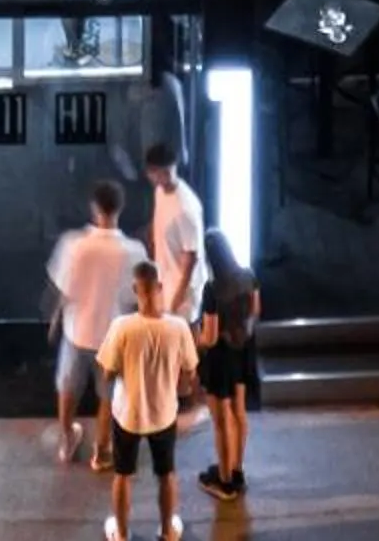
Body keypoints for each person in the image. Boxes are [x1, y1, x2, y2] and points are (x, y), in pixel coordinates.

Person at [96, 260, 202, 541]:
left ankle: (120, 533)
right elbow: (190, 373)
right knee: (166, 474)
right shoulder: (178, 327)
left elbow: (106, 373)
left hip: (128, 415)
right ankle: (168, 531)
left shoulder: (121, 327)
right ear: (160, 287)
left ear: (135, 289)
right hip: (164, 414)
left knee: (123, 475)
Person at [47, 181, 145, 467]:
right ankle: (101, 451)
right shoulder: (133, 251)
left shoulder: (74, 244)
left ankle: (67, 438)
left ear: (94, 207)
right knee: (108, 395)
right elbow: (135, 296)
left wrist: (55, 319)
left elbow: (63, 289)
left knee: (68, 387)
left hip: (76, 330)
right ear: (120, 208)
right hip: (111, 334)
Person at [194, 228, 261, 500]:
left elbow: (209, 336)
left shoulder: (212, 290)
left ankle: (223, 481)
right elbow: (256, 311)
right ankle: (236, 469)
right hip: (243, 350)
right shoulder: (248, 275)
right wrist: (240, 332)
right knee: (239, 413)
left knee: (222, 420)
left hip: (220, 357)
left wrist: (195, 341)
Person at [143, 139, 205, 323]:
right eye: (159, 172)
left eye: (167, 171)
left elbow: (190, 258)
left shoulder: (185, 208)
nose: (163, 177)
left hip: (183, 293)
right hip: (165, 280)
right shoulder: (160, 192)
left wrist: (176, 301)